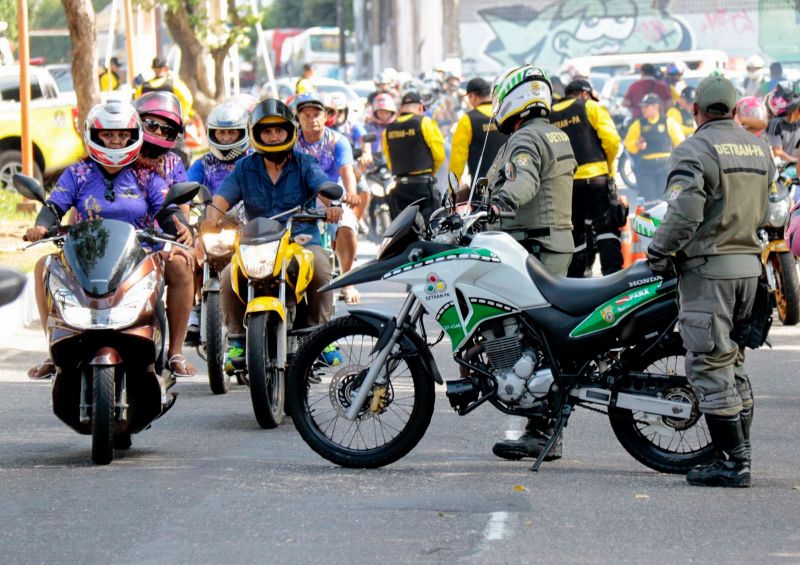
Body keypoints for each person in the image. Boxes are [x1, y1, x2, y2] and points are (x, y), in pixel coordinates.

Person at [647, 75, 773, 488]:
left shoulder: (695, 148)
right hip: (750, 271)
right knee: (732, 360)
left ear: (696, 110)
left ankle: (733, 464)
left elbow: (684, 213)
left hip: (709, 273)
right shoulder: (759, 148)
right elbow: (769, 208)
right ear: (736, 110)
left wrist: (659, 252)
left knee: (707, 362)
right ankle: (741, 454)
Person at [25, 100, 195, 380]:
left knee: (181, 266)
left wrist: (181, 229)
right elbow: (54, 207)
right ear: (94, 135)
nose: (116, 141)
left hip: (137, 258)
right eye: (108, 135)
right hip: (85, 259)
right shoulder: (78, 173)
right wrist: (40, 226)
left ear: (133, 136)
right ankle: (52, 350)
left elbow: (167, 211)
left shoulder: (147, 175)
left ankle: (175, 352)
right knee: (44, 265)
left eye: (122, 135)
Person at [201, 99, 341, 369]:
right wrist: (211, 219)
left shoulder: (304, 163)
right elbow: (221, 199)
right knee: (230, 274)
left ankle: (320, 336)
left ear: (290, 132)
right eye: (267, 131)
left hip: (301, 241)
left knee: (322, 267)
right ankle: (238, 339)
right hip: (256, 244)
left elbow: (322, 185)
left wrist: (331, 204)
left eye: (279, 130)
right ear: (257, 134)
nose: (274, 136)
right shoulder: (245, 167)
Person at [483, 65, 577, 463]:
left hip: (534, 245)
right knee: (541, 340)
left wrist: (500, 202)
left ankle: (542, 433)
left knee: (534, 343)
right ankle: (543, 430)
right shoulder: (553, 132)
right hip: (549, 242)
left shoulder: (526, 137)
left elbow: (523, 181)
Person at [293, 92, 361, 304]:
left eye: (316, 114)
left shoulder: (338, 141)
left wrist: (351, 193)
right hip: (301, 197)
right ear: (298, 118)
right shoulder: (292, 141)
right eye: (306, 115)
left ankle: (347, 280)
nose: (311, 119)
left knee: (347, 224)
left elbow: (346, 170)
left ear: (326, 116)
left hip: (334, 196)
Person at [550, 78, 622, 277]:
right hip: (595, 178)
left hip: (566, 183)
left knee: (575, 232)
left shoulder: (550, 114)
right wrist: (608, 168)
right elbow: (612, 140)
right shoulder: (590, 106)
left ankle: (576, 279)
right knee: (606, 227)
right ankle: (612, 274)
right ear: (584, 93)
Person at [381, 91, 445, 221]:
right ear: (421, 107)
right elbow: (439, 155)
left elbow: (389, 162)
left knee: (403, 231)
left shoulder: (387, 130)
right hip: (422, 187)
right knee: (430, 229)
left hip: (400, 188)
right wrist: (431, 172)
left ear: (401, 109)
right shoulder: (425, 122)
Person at [624, 94, 686, 202]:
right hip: (646, 167)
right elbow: (628, 143)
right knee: (649, 201)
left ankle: (664, 219)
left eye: (646, 106)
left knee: (665, 201)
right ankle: (653, 219)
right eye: (642, 106)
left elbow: (680, 143)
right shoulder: (639, 124)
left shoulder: (668, 122)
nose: (643, 109)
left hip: (665, 166)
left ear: (656, 106)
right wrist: (637, 145)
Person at [450, 77, 508, 183]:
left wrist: (452, 188)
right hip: (508, 185)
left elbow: (457, 159)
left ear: (472, 96)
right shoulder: (505, 114)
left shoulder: (467, 120)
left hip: (480, 189)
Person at [187, 100, 252, 194]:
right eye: (221, 132)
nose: (226, 138)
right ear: (212, 134)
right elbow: (185, 188)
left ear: (242, 133)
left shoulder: (255, 161)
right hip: (213, 208)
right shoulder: (204, 163)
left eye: (232, 132)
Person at [329, 92, 373, 226]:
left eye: (340, 111)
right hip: (328, 169)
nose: (336, 115)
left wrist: (366, 154)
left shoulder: (352, 125)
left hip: (350, 167)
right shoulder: (323, 127)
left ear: (346, 111)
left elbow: (364, 140)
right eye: (332, 112)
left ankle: (355, 222)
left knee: (364, 191)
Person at [135, 57, 194, 122]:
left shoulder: (143, 86)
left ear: (153, 68)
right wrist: (183, 116)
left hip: (148, 122)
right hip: (169, 121)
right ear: (166, 68)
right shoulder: (174, 83)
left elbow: (137, 103)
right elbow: (187, 99)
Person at [765, 81, 800, 163]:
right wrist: (796, 161)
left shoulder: (798, 123)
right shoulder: (776, 123)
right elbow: (776, 151)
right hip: (781, 170)